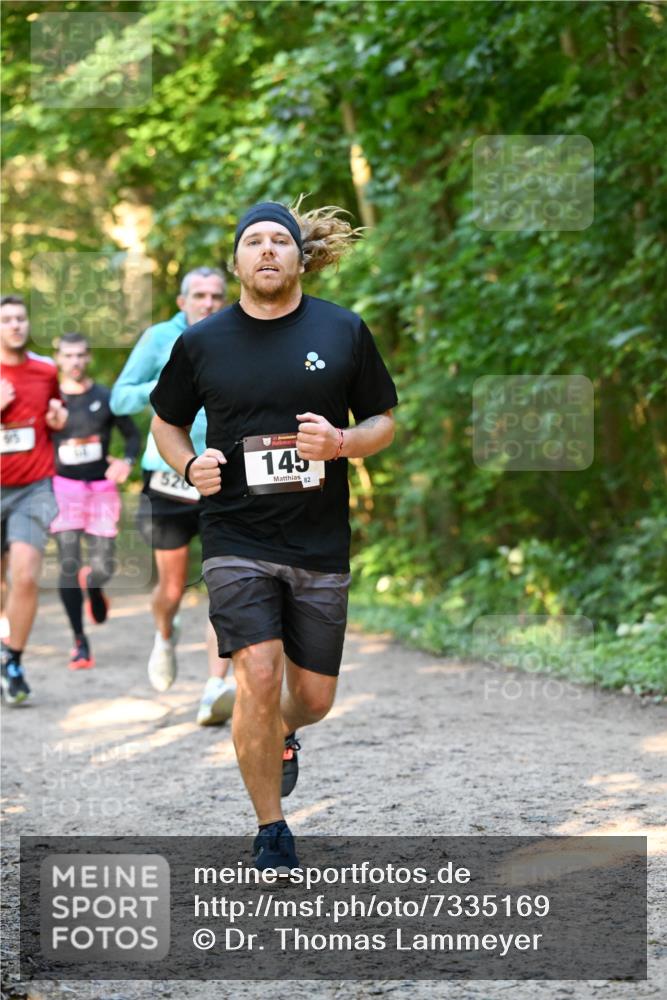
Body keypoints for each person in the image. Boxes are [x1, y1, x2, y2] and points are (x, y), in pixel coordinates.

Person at [149, 201, 397, 872]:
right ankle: (271, 829)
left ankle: (281, 732)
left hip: (319, 541)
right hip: (235, 533)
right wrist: (187, 463)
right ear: (236, 261)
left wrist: (342, 440)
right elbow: (165, 423)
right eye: (252, 242)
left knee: (311, 698)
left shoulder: (342, 330)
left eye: (278, 242)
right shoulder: (202, 341)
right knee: (256, 672)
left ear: (299, 257)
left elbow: (383, 420)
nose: (266, 251)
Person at [110, 267, 235, 725]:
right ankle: (165, 633)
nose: (208, 303)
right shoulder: (160, 338)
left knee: (226, 580)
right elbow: (120, 399)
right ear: (181, 301)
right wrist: (166, 383)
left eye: (216, 295)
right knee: (171, 587)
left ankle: (215, 686)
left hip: (224, 473)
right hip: (167, 475)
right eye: (199, 295)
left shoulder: (238, 334)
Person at [50, 333, 141, 669]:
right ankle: (79, 640)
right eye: (68, 355)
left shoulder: (105, 397)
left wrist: (126, 462)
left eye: (80, 355)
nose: (74, 361)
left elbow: (132, 435)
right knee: (67, 565)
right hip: (64, 489)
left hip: (101, 489)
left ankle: (95, 585)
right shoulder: (51, 399)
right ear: (58, 359)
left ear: (88, 358)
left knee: (103, 566)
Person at [1, 294, 68, 704]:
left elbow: (54, 418)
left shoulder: (46, 370)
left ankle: (13, 660)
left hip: (33, 487)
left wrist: (58, 422)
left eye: (20, 319)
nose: (15, 326)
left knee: (24, 574)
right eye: (6, 320)